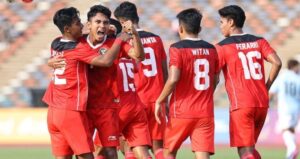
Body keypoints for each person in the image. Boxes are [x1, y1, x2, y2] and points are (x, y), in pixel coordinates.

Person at [43, 7, 131, 159]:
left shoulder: (55, 43)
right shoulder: (79, 48)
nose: (82, 25)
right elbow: (106, 61)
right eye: (78, 23)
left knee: (62, 156)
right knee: (86, 156)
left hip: (53, 110)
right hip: (70, 109)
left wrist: (49, 61)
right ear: (67, 28)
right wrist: (119, 39)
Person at [215, 5, 282, 159]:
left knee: (244, 151)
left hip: (242, 104)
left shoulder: (222, 47)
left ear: (231, 22)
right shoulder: (259, 41)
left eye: (221, 22)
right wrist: (266, 87)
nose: (220, 26)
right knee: (250, 149)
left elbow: (215, 78)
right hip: (261, 103)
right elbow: (277, 62)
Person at [155, 8, 218, 159]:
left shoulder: (177, 48)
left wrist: (160, 100)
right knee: (202, 155)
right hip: (205, 111)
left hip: (182, 110)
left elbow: (173, 78)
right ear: (200, 28)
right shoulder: (212, 49)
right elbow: (216, 80)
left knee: (169, 152)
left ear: (180, 28)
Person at [114, 2, 168, 159]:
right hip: (156, 98)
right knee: (158, 148)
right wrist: (165, 99)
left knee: (129, 147)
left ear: (123, 22)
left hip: (134, 99)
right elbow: (164, 71)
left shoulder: (125, 41)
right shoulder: (156, 39)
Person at [270, 59, 300, 159]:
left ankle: (292, 148)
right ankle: (290, 155)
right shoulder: (298, 78)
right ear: (294, 66)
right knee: (291, 129)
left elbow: (272, 92)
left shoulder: (282, 77)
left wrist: (266, 103)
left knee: (285, 129)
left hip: (285, 107)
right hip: (296, 108)